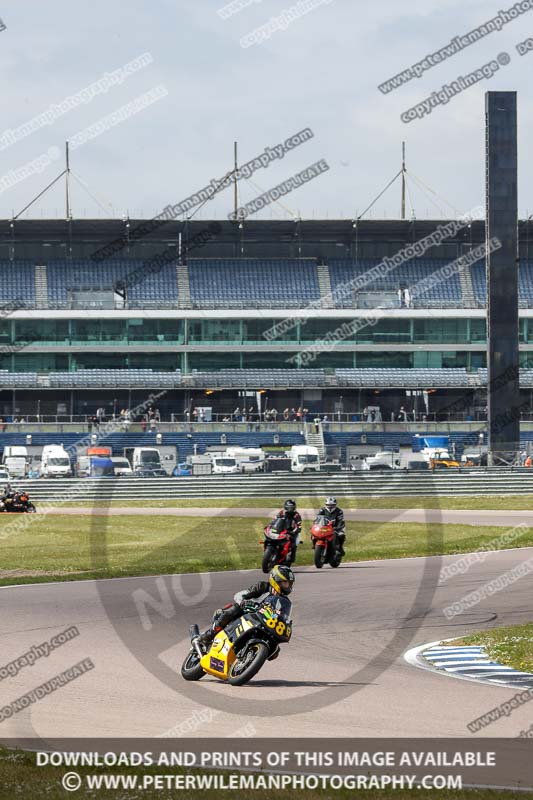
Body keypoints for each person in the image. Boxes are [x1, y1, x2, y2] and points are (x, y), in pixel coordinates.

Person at [197, 565, 295, 650]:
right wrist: (244, 602)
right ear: (276, 580)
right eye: (285, 583)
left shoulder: (284, 602)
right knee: (233, 610)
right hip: (247, 612)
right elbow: (240, 595)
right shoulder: (262, 587)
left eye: (289, 584)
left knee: (275, 650)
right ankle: (209, 635)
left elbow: (283, 616)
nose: (288, 587)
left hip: (263, 621)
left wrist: (286, 623)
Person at [275, 498, 302, 564]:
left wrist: (297, 529)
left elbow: (299, 523)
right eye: (288, 507)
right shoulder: (281, 513)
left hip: (291, 531)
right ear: (285, 507)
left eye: (292, 507)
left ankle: (291, 557)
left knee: (294, 543)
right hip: (281, 530)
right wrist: (271, 526)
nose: (290, 509)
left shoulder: (296, 514)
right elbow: (275, 520)